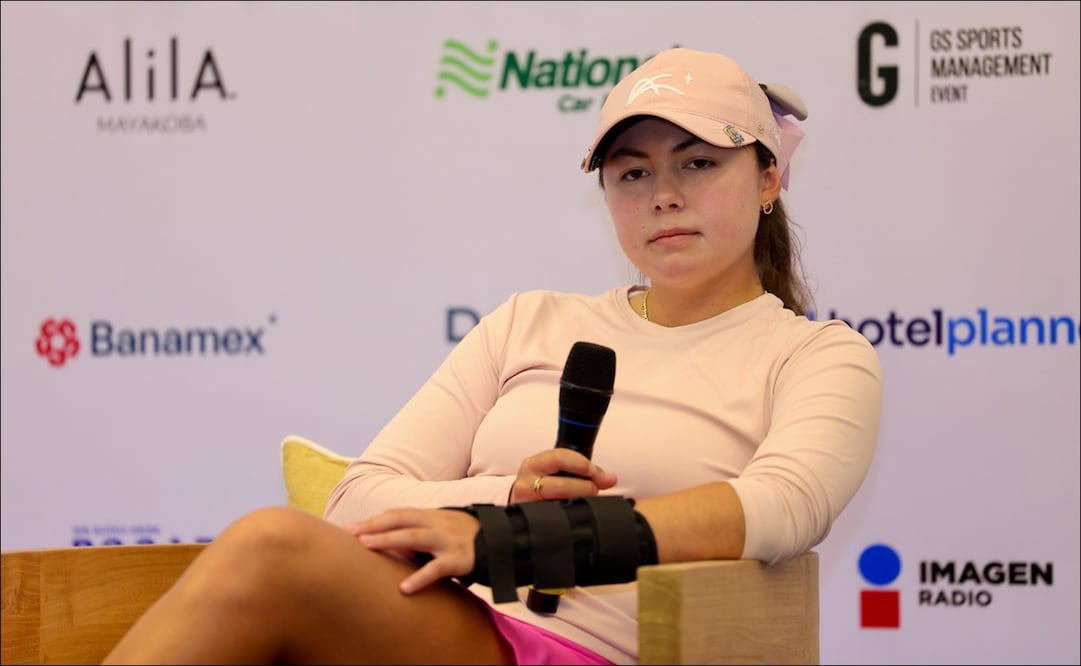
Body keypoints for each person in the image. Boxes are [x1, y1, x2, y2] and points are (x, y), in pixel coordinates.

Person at [103, 47, 882, 665]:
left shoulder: (817, 355)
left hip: (597, 648)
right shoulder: (527, 321)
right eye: (633, 172)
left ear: (769, 178)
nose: (663, 195)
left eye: (698, 162)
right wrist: (505, 496)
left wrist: (507, 540)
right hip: (449, 621)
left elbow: (778, 509)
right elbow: (354, 504)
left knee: (270, 549)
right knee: (271, 552)